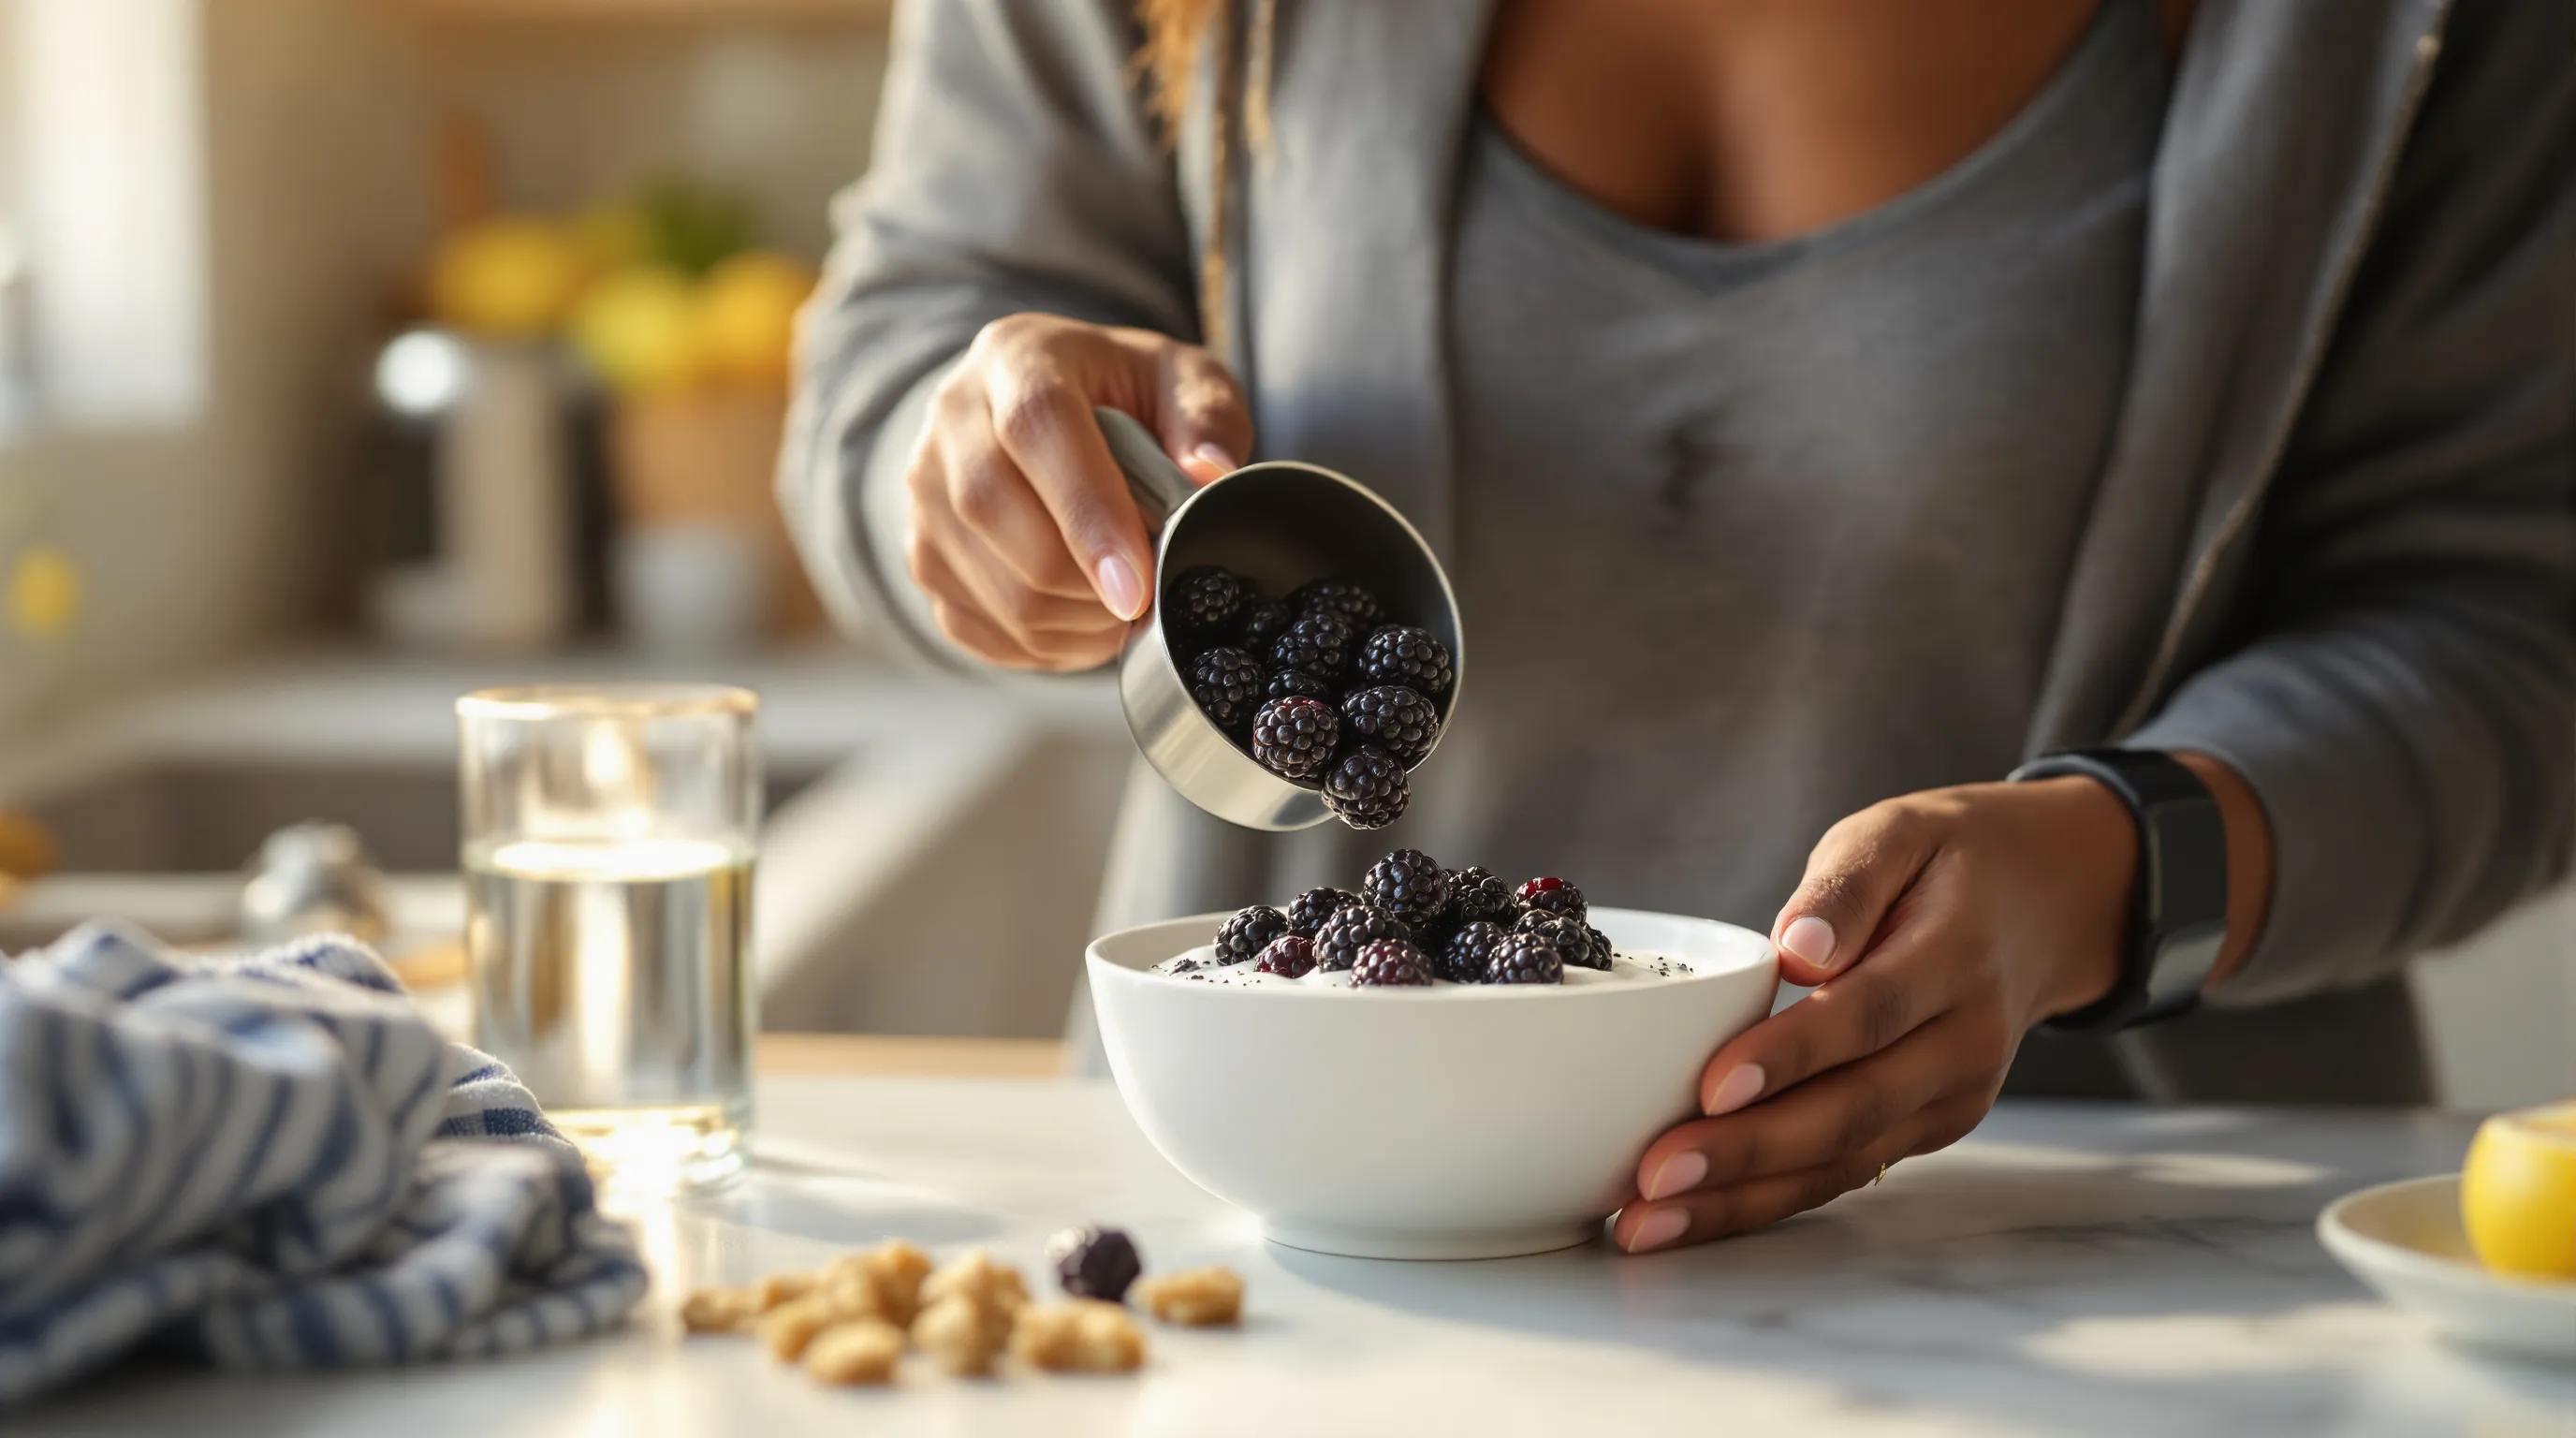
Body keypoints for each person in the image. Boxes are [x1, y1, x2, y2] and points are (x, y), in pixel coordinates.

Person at [781, 0, 2574, 1255]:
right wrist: (958, 488)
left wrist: (2111, 870)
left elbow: (2515, 618)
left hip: (2075, 1252)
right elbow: (900, 350)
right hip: (1278, 1243)